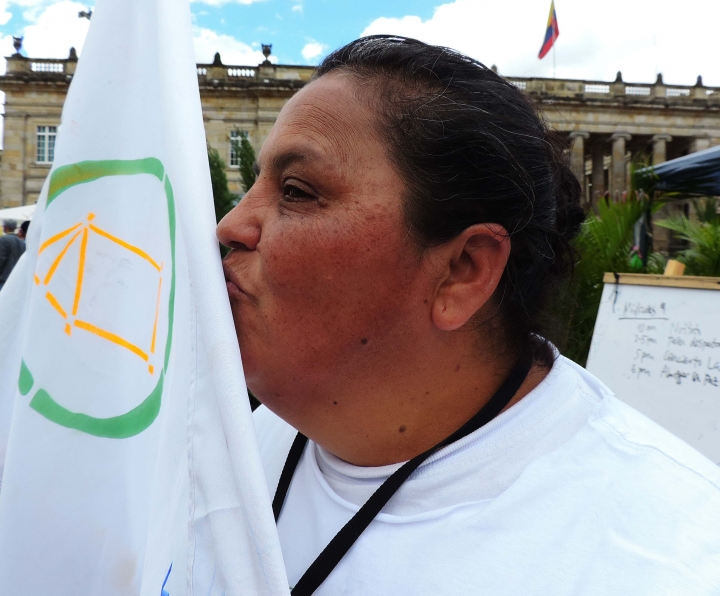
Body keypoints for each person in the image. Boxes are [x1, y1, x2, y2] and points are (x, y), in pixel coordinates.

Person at [217, 36, 720, 596]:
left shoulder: (669, 564)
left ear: (462, 270)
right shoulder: (235, 440)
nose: (227, 226)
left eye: (296, 190)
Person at [0, 219, 26, 291]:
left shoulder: (4, 240)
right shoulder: (21, 241)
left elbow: (1, 259)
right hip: (15, 277)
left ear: (5, 227)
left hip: (3, 277)